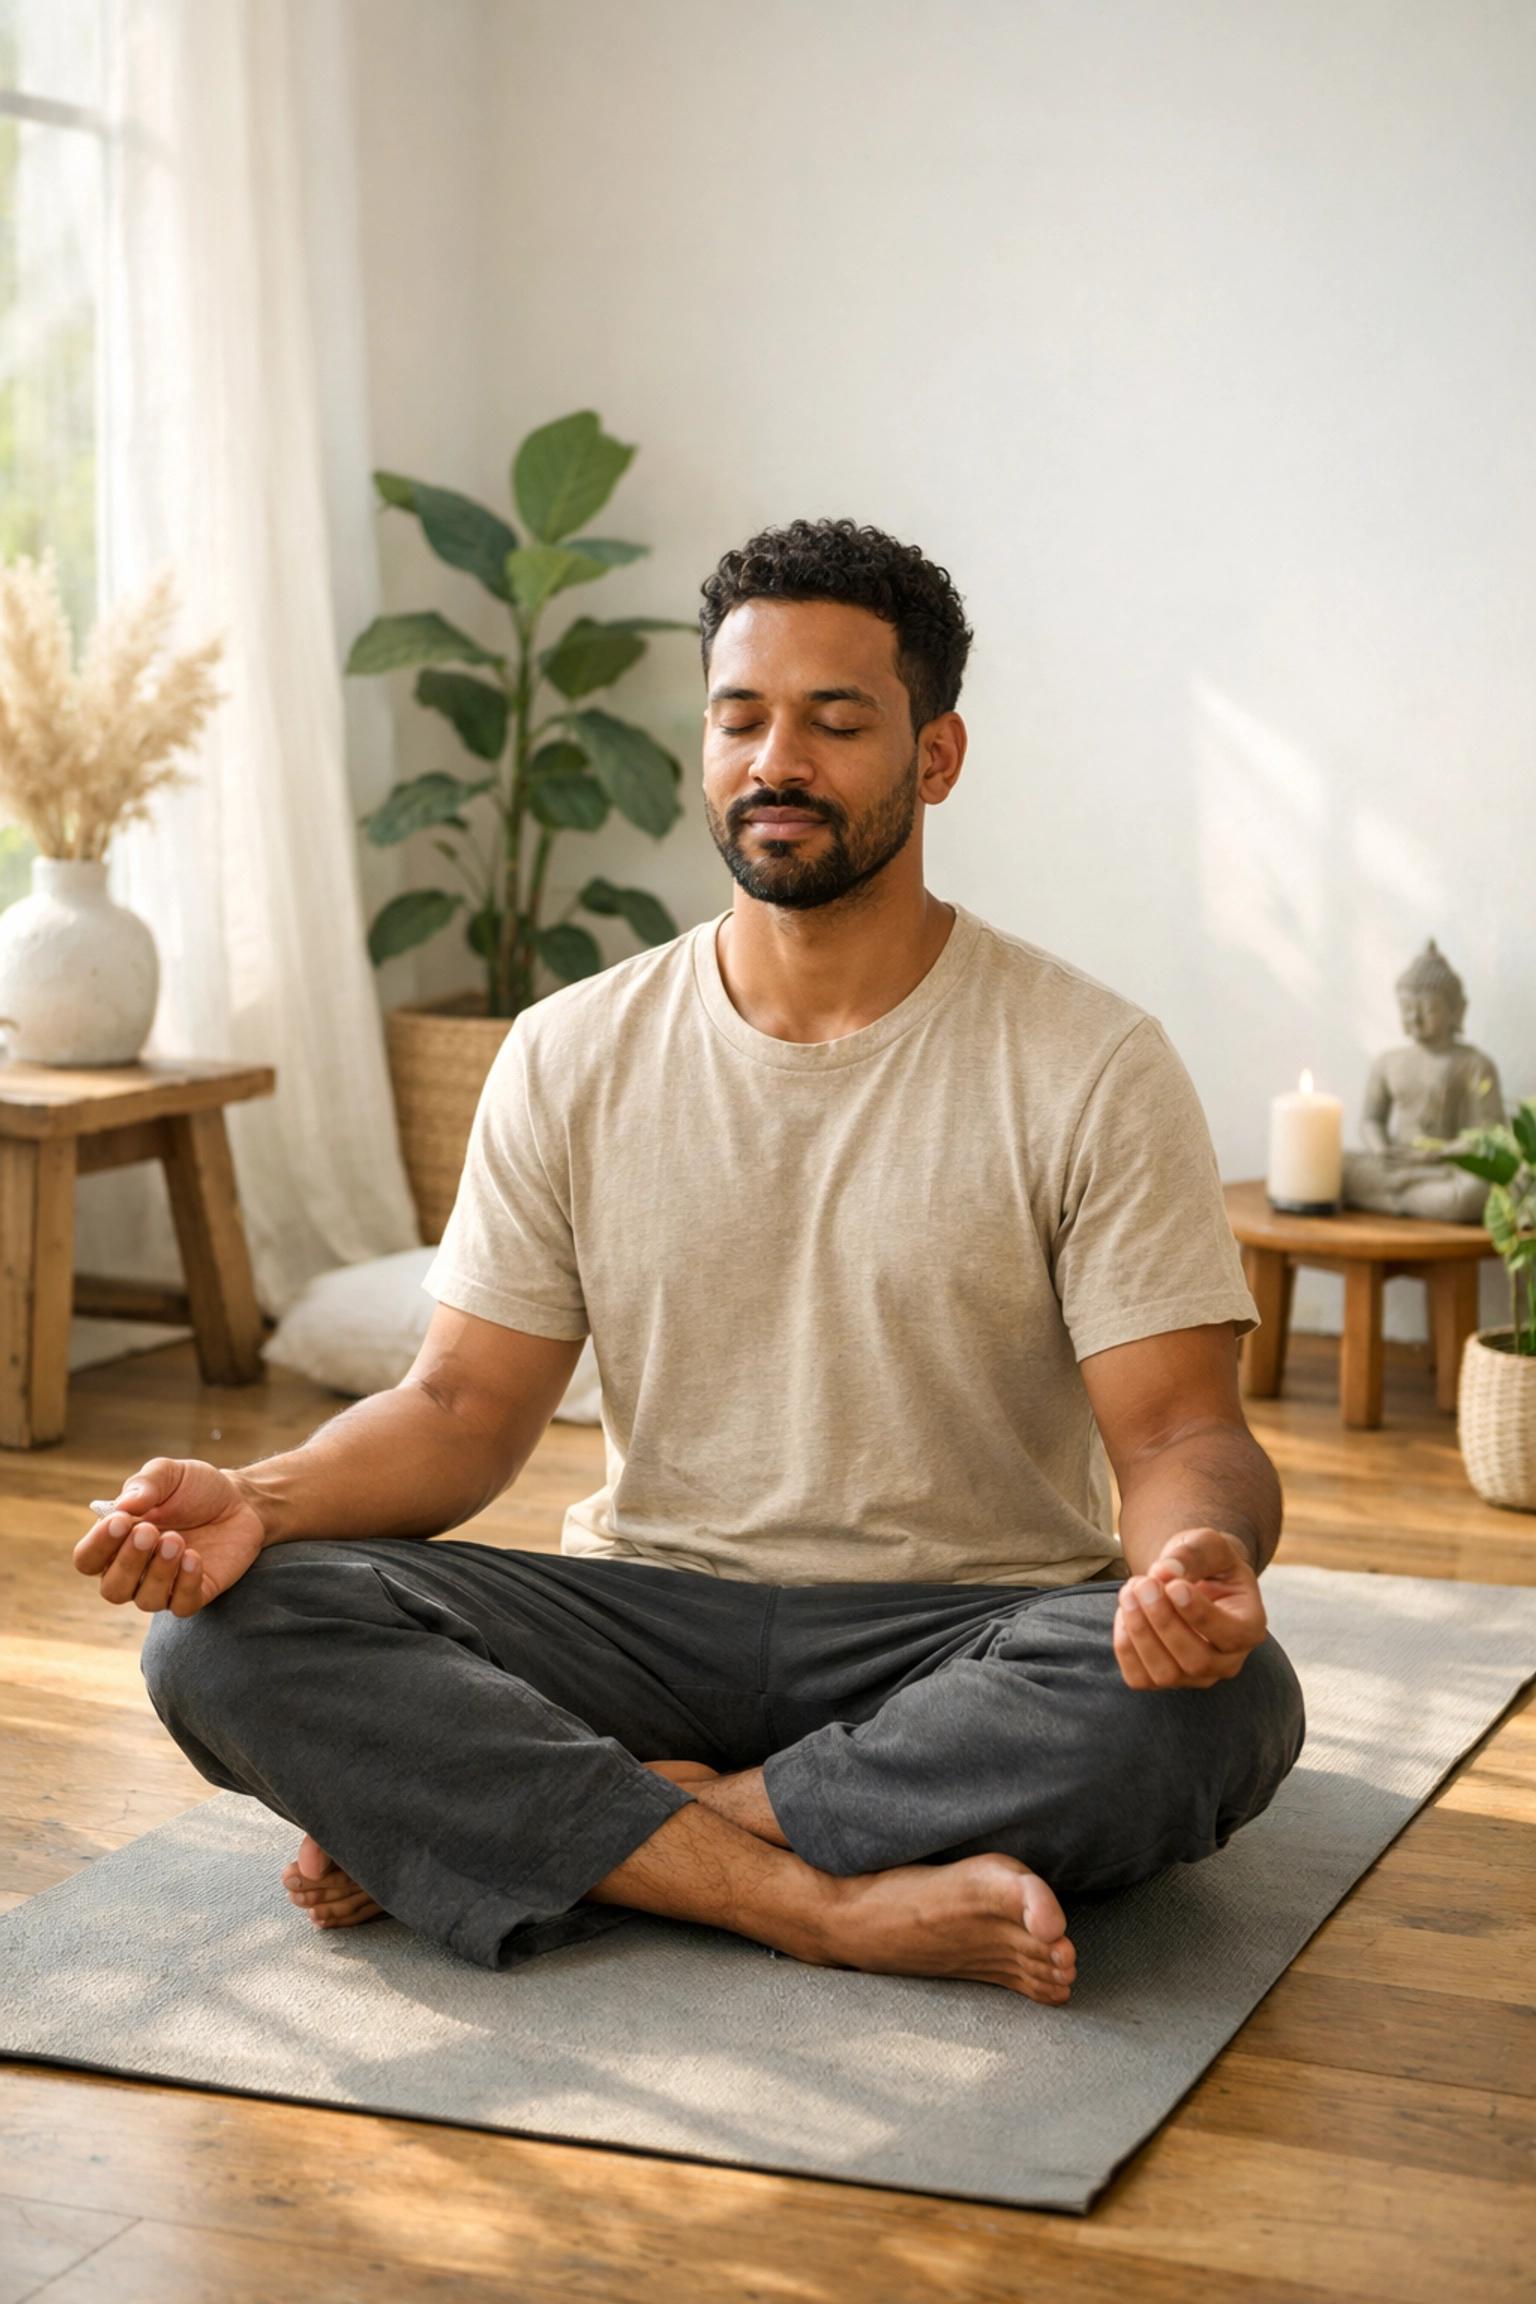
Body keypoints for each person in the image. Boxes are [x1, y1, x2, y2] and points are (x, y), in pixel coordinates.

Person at [76, 519, 1303, 2005]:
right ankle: (814, 1901)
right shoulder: (572, 1049)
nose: (775, 759)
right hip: (644, 1614)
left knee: (1214, 1710)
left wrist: (1200, 1562)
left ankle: (582, 1827)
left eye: (836, 720)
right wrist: (255, 1501)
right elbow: (463, 1413)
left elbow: (1178, 1430)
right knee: (228, 1636)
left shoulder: (1089, 1061)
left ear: (936, 757)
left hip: (960, 1624)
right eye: (740, 717)